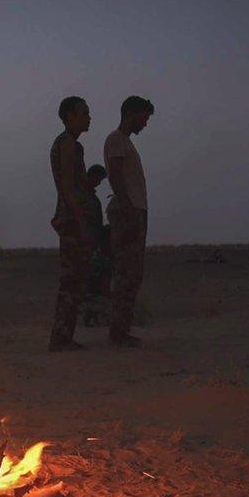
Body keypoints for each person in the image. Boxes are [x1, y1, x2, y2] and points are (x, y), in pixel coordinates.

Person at [105, 96, 154, 348]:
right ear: (132, 113)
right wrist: (128, 211)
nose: (145, 123)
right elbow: (114, 176)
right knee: (126, 272)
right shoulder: (116, 139)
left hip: (135, 211)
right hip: (128, 213)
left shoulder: (126, 143)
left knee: (133, 273)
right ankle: (118, 333)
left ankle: (121, 330)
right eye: (144, 117)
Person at [48, 96, 94, 352]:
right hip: (71, 220)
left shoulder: (71, 145)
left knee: (75, 280)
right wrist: (81, 221)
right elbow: (68, 187)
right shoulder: (67, 145)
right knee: (71, 280)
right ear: (69, 116)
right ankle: (61, 338)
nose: (89, 117)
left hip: (72, 218)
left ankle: (64, 336)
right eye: (84, 113)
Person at [83, 164, 111, 326]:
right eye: (99, 179)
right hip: (87, 245)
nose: (99, 183)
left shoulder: (89, 196)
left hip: (93, 244)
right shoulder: (84, 196)